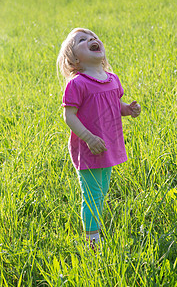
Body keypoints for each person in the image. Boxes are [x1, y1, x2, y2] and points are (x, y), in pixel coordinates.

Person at [57, 28, 141, 247]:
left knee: (102, 190)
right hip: (89, 148)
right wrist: (88, 137)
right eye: (82, 40)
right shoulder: (77, 83)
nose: (92, 40)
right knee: (92, 195)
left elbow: (115, 105)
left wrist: (128, 109)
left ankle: (95, 227)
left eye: (93, 37)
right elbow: (68, 115)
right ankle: (93, 242)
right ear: (74, 58)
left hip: (108, 145)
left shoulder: (112, 79)